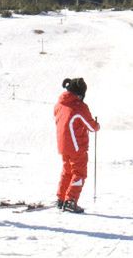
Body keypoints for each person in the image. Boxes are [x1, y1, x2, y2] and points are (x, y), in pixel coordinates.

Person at [54, 76, 99, 213]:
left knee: (67, 171)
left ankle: (61, 199)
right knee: (79, 172)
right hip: (77, 146)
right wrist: (96, 125)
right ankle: (71, 200)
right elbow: (91, 127)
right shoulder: (79, 107)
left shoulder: (59, 105)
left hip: (63, 145)